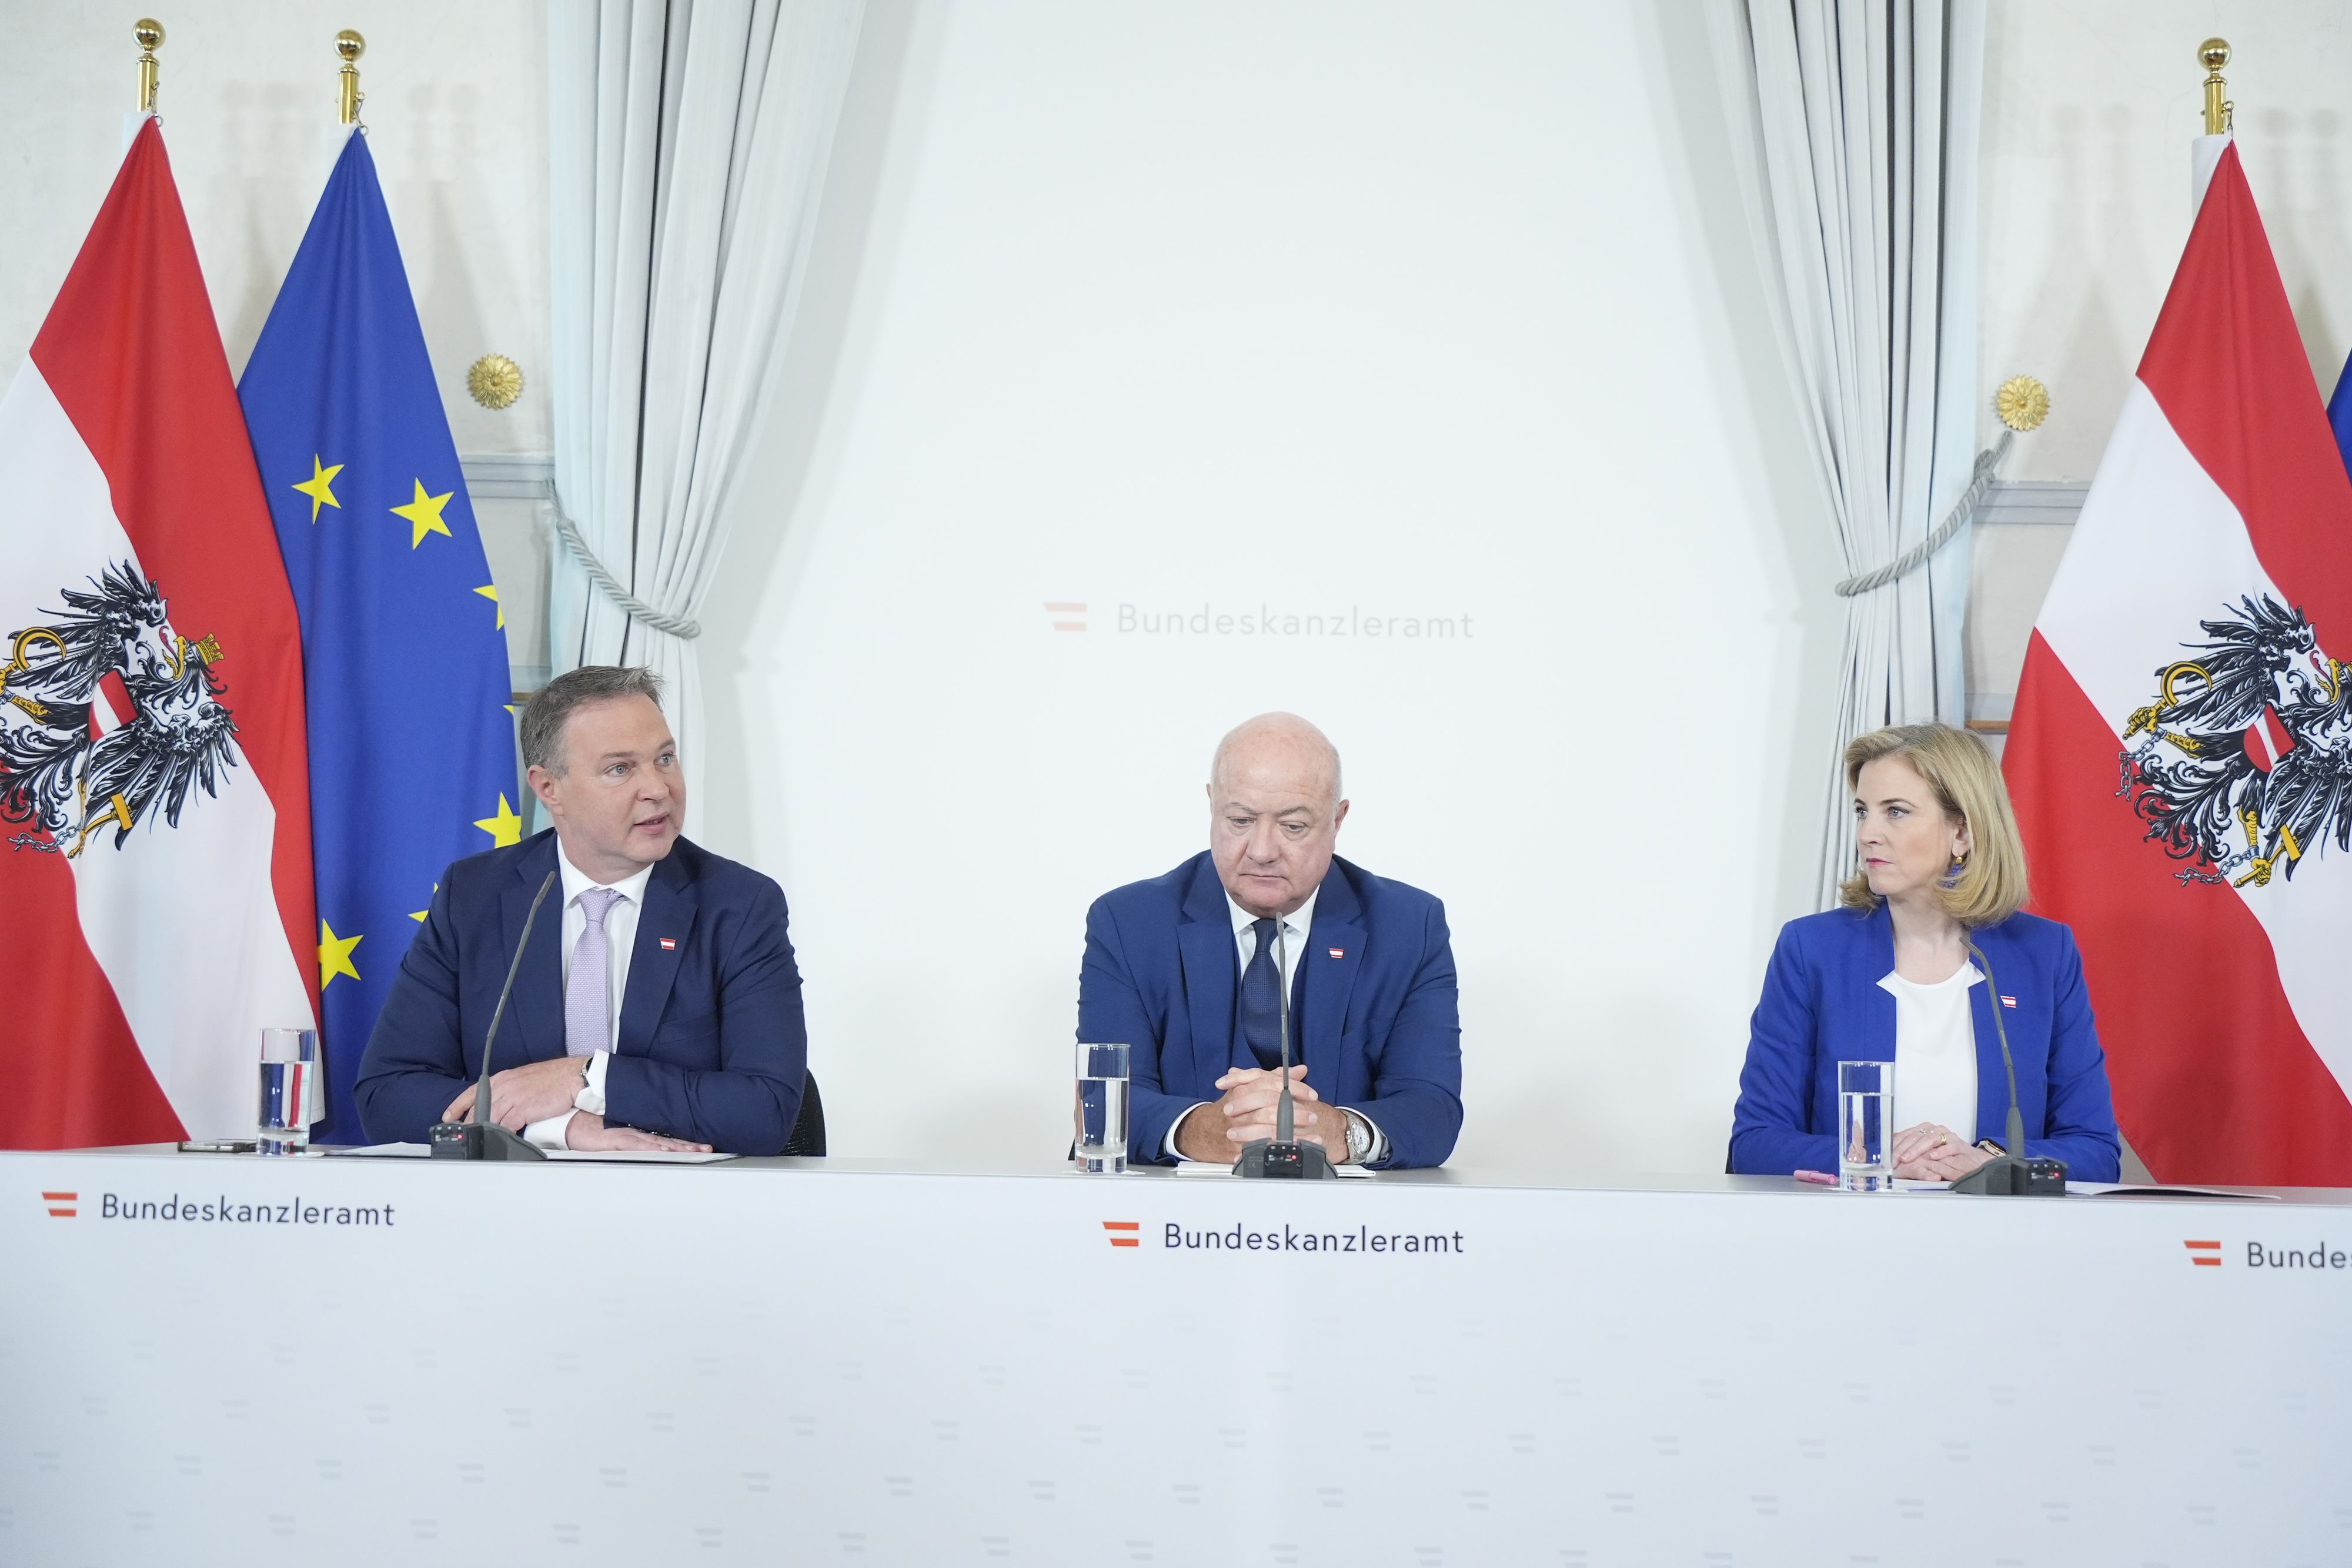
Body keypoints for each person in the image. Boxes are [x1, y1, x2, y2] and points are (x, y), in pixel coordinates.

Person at [355, 666, 807, 1154]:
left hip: (676, 1210)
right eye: (620, 768)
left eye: (665, 758)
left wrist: (586, 1075)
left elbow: (766, 1110)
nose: (658, 788)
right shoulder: (475, 897)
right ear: (549, 788)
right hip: (508, 1214)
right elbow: (387, 1095)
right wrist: (562, 1128)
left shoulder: (738, 906)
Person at [1730, 723, 2120, 1181]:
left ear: (1963, 832)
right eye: (1863, 811)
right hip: (1847, 1239)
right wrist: (1876, 1155)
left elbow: (2096, 1152)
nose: (1868, 833)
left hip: (2003, 1243)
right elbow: (1754, 1144)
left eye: (1895, 812)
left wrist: (1991, 1160)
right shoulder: (1812, 950)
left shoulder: (2043, 954)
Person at [1078, 713, 1462, 1168]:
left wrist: (1341, 1130)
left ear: (1338, 820)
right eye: (1239, 820)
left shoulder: (1408, 927)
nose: (1261, 850)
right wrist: (1207, 1129)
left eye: (1293, 826)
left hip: (1351, 1228)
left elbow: (1432, 1108)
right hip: (1174, 1224)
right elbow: (1103, 1106)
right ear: (1212, 804)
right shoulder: (1128, 923)